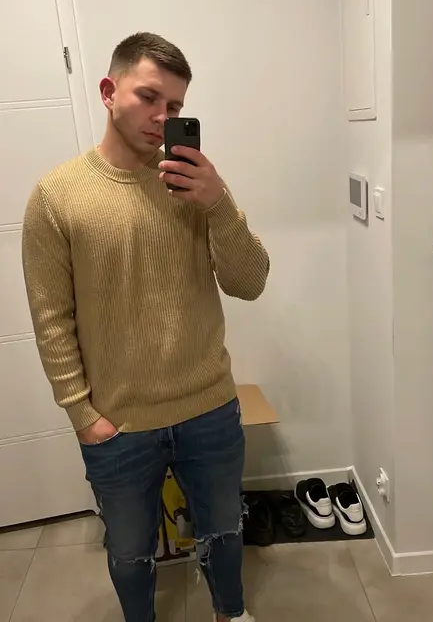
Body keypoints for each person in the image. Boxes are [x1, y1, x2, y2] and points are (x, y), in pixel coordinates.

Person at [22, 32, 269, 622]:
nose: (163, 116)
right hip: (119, 423)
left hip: (208, 407)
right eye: (149, 97)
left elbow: (250, 281)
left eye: (175, 106)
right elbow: (51, 318)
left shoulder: (196, 185)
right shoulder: (56, 197)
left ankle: (231, 614)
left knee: (224, 532)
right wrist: (84, 416)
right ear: (109, 92)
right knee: (131, 553)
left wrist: (218, 203)